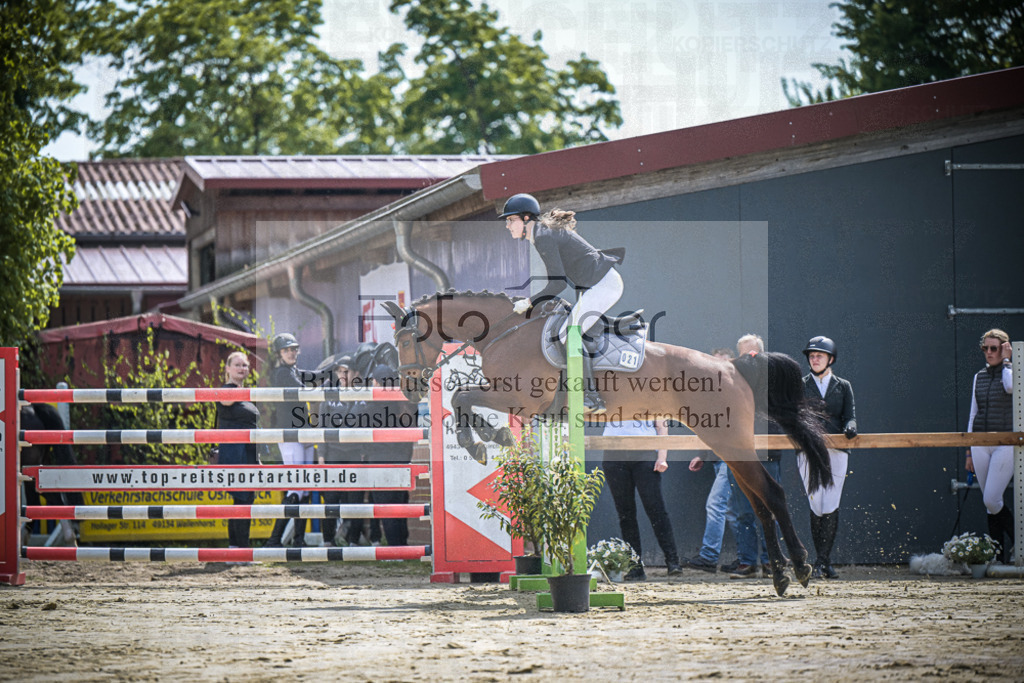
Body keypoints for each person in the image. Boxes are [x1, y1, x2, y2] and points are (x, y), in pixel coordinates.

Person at [499, 193, 625, 415]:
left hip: (604, 285)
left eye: (511, 220)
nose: (507, 225)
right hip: (593, 285)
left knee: (569, 334)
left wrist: (528, 302)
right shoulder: (542, 234)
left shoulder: (544, 237)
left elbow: (557, 285)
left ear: (526, 218)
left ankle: (592, 397)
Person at [727, 334, 786, 579]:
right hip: (739, 454)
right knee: (743, 511)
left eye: (752, 355)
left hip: (767, 453)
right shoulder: (731, 381)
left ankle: (772, 561)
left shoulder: (774, 380)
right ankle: (747, 561)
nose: (748, 360)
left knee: (769, 508)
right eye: (743, 356)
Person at [799, 335, 857, 579]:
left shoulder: (843, 386)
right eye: (811, 356)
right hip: (809, 450)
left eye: (819, 356)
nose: (814, 359)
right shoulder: (800, 384)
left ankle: (823, 561)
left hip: (836, 449)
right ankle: (821, 560)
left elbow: (850, 415)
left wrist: (851, 427)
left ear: (830, 359)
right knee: (816, 504)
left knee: (831, 504)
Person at [601, 417, 682, 581]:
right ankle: (635, 567)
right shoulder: (609, 393)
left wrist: (662, 456)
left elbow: (661, 425)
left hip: (644, 452)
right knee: (625, 514)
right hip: (613, 452)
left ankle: (673, 561)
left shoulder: (650, 393)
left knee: (655, 509)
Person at [685, 347, 740, 573]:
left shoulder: (736, 393)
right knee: (733, 510)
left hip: (731, 459)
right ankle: (748, 557)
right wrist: (702, 454)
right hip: (720, 460)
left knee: (716, 504)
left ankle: (709, 556)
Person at [966, 329, 1015, 564]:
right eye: (985, 348)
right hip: (980, 443)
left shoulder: (1012, 372)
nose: (988, 353)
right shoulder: (979, 376)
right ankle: (998, 557)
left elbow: (1010, 388)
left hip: (1004, 442)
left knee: (992, 499)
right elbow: (973, 413)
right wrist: (968, 449)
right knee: (989, 503)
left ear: (1004, 348)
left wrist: (1007, 360)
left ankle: (1019, 541)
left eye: (994, 348)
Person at [264, 332, 316, 548]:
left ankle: (299, 539)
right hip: (290, 434)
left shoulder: (292, 370)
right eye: (287, 350)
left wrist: (333, 370)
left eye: (293, 349)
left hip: (302, 434)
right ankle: (274, 539)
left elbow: (312, 375)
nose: (292, 352)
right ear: (279, 354)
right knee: (296, 486)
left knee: (303, 488)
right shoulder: (282, 373)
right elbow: (302, 389)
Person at [363, 364, 417, 547]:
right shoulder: (405, 404)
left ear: (377, 382)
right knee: (400, 503)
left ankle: (395, 550)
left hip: (380, 460)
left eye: (373, 381)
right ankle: (403, 545)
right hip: (402, 460)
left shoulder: (372, 405)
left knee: (386, 507)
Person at [216, 351, 260, 557]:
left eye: (245, 365)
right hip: (235, 453)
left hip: (249, 452)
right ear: (227, 369)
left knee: (243, 501)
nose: (242, 368)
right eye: (237, 365)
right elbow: (225, 402)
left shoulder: (244, 391)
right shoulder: (227, 389)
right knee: (242, 501)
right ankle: (242, 551)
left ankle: (235, 548)